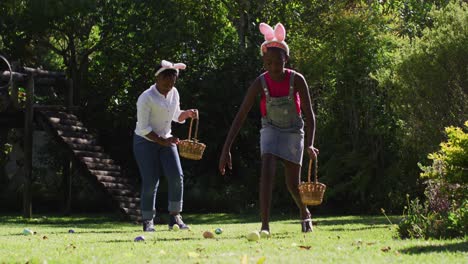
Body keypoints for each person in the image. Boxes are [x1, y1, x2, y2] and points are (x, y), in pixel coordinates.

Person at [218, 23, 319, 233]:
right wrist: (226, 148)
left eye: (278, 62)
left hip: (293, 130)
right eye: (269, 63)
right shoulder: (260, 82)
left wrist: (309, 144)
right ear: (264, 62)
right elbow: (240, 116)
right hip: (271, 128)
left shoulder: (297, 79)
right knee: (267, 170)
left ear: (286, 60)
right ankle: (265, 225)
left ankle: (304, 211)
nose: (273, 67)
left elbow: (309, 115)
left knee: (293, 184)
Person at [133, 60, 197, 232]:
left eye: (173, 78)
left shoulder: (174, 93)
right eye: (166, 77)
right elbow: (143, 129)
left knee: (177, 176)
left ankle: (175, 217)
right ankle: (148, 221)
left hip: (166, 139)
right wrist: (163, 141)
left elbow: (176, 115)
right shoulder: (146, 98)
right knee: (151, 180)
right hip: (144, 141)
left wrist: (187, 114)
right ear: (157, 78)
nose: (170, 81)